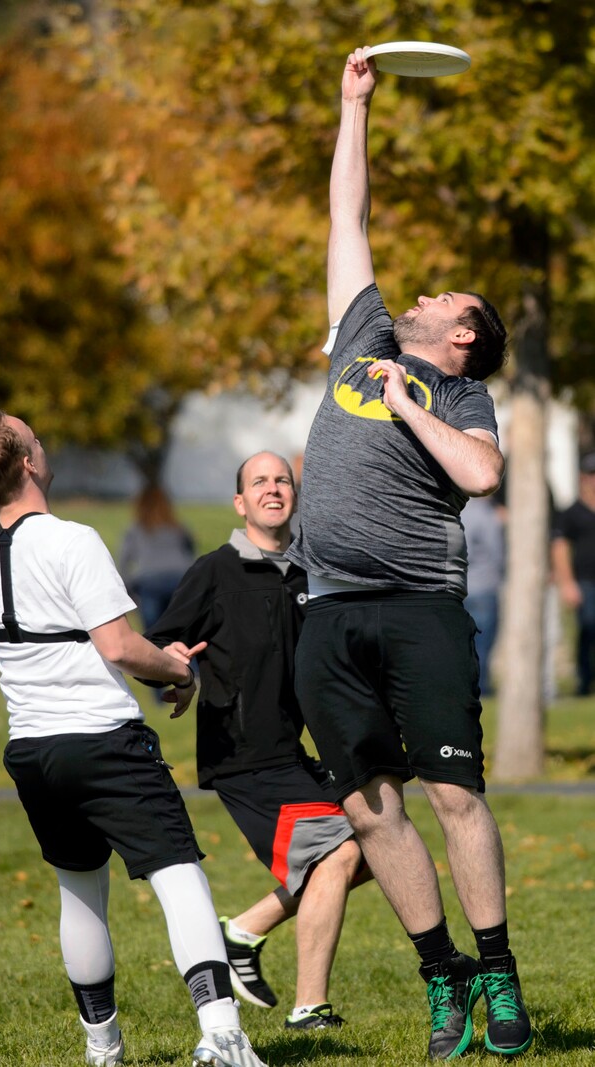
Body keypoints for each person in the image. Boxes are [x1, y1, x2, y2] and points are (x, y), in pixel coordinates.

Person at [286, 50, 532, 1060]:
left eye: (442, 296)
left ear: (463, 333)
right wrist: (354, 108)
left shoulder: (460, 396)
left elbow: (479, 477)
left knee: (452, 794)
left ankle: (498, 968)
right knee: (367, 803)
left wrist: (401, 403)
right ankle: (441, 978)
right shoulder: (361, 336)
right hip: (326, 606)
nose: (418, 293)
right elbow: (346, 218)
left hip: (418, 605)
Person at [0, 400, 268, 1067]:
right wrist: (178, 667)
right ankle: (224, 1036)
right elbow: (122, 647)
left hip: (33, 751)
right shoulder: (72, 539)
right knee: (180, 874)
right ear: (30, 460)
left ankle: (103, 1046)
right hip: (104, 739)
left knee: (79, 888)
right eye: (35, 436)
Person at [145, 451, 369, 1030]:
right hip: (243, 756)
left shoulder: (307, 571)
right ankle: (309, 1007)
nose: (274, 488)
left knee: (374, 846)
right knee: (339, 852)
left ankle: (242, 932)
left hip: (293, 752)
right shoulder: (216, 570)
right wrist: (175, 672)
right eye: (259, 482)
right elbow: (162, 643)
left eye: (283, 480)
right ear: (240, 502)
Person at [118, 485, 195, 631]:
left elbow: (123, 562)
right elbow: (190, 553)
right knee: (183, 633)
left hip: (150, 582)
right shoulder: (179, 527)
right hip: (180, 579)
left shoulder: (135, 529)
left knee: (154, 634)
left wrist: (128, 590)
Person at [552, 451, 595, 696]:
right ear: (583, 478)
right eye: (591, 475)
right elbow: (559, 547)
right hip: (584, 581)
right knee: (587, 629)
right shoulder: (571, 512)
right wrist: (567, 583)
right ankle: (584, 682)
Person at [462, 495, 506, 696]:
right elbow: (497, 553)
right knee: (483, 645)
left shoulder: (458, 510)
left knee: (462, 644)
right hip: (485, 588)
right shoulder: (486, 514)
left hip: (461, 587)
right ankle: (481, 688)